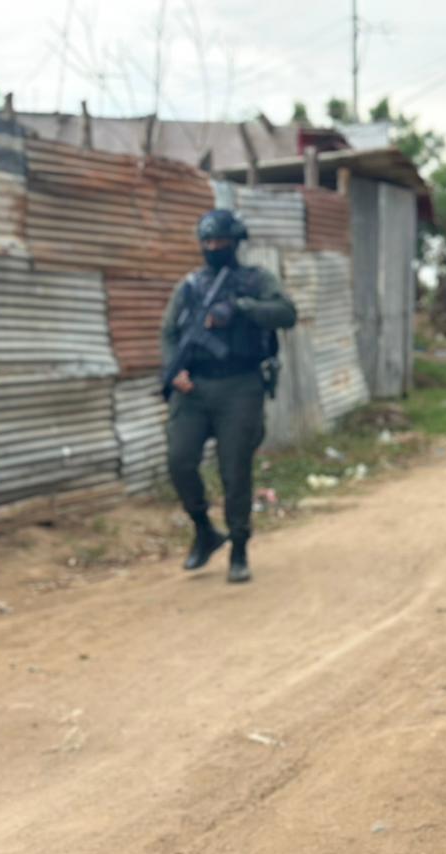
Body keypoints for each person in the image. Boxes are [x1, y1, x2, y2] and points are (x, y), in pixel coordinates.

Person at [160, 208, 297, 583]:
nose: (214, 247)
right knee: (179, 460)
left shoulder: (255, 281)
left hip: (240, 385)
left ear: (235, 242)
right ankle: (204, 530)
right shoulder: (190, 286)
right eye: (208, 242)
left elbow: (287, 313)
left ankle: (239, 544)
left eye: (221, 241)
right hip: (194, 388)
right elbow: (169, 332)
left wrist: (240, 308)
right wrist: (176, 371)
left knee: (234, 470)